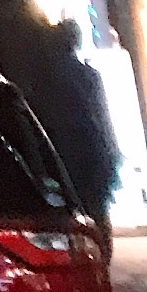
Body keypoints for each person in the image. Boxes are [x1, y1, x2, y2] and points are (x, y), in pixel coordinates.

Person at [34, 20, 121, 236]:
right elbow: (101, 116)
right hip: (91, 149)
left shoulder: (44, 80)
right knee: (97, 211)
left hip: (61, 152)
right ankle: (101, 250)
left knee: (69, 214)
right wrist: (112, 151)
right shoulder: (89, 75)